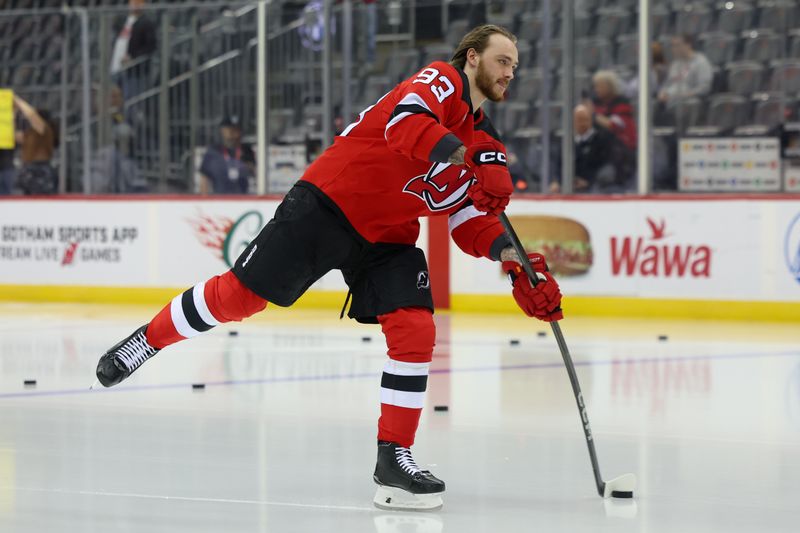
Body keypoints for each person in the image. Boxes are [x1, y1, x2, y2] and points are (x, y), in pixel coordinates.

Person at [93, 25, 563, 511]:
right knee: (240, 298)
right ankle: (147, 340)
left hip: (388, 234)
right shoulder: (440, 80)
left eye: (515, 65)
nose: (511, 72)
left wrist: (513, 260)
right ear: (471, 58)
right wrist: (469, 157)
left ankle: (393, 456)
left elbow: (468, 220)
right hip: (331, 203)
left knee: (416, 328)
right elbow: (403, 128)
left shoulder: (487, 136)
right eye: (503, 60)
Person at [550, 104, 618, 193]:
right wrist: (557, 181)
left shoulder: (602, 140)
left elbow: (606, 168)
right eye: (579, 120)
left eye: (585, 120)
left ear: (590, 121)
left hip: (596, 190)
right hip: (570, 189)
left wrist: (589, 182)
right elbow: (559, 166)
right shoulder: (567, 143)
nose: (582, 123)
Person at [110, 0, 157, 99]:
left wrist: (133, 58)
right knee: (115, 99)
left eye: (138, 3)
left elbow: (150, 47)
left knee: (130, 100)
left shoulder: (147, 23)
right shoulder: (123, 20)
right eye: (133, 2)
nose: (134, 5)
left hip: (134, 71)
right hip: (116, 66)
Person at [198, 115, 255, 194]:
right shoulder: (214, 152)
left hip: (242, 200)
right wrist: (204, 200)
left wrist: (246, 165)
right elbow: (204, 179)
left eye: (237, 129)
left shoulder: (246, 150)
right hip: (220, 200)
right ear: (222, 130)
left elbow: (255, 173)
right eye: (230, 129)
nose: (234, 133)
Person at [13, 96, 58, 195]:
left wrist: (16, 100)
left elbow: (31, 115)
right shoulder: (30, 133)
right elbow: (13, 135)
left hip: (40, 170)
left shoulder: (45, 129)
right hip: (27, 169)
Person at [658, 34, 712, 106]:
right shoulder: (675, 63)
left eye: (677, 45)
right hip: (669, 103)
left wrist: (683, 95)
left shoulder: (701, 62)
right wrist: (662, 93)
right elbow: (667, 83)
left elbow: (704, 88)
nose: (674, 49)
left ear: (688, 45)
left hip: (688, 104)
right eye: (673, 45)